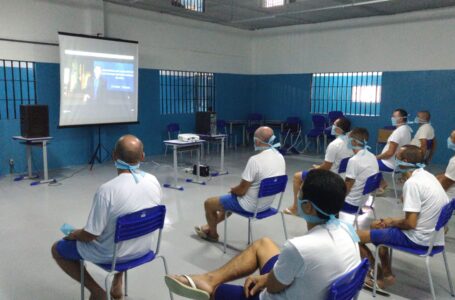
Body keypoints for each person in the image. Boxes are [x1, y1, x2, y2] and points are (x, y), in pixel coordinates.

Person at [165, 169, 361, 300]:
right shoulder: (348, 231)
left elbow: (274, 288)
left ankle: (211, 286)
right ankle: (209, 278)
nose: (296, 197)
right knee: (264, 244)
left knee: (218, 293)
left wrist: (267, 279)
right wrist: (268, 277)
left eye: (299, 195)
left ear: (308, 207)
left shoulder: (301, 248)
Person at [51, 135, 162, 300]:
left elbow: (90, 235)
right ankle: (117, 282)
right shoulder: (153, 181)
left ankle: (97, 292)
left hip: (113, 255)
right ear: (143, 157)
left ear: (113, 156)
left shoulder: (107, 191)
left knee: (57, 249)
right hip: (144, 248)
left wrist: (74, 234)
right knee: (123, 229)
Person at [358, 145, 449, 291]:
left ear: (404, 161)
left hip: (418, 239)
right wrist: (391, 221)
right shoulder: (427, 176)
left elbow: (410, 223)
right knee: (376, 224)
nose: (394, 160)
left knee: (354, 237)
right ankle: (386, 272)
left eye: (397, 158)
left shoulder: (413, 183)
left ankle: (376, 276)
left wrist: (392, 222)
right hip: (434, 238)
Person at [195, 126, 285, 242]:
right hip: (266, 204)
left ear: (257, 141)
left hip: (250, 206)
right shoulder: (280, 157)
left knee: (209, 203)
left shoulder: (255, 160)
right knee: (228, 201)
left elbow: (241, 190)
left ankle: (213, 234)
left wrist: (233, 190)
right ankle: (208, 226)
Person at [283, 117, 353, 215]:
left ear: (338, 129)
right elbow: (333, 163)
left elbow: (327, 167)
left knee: (297, 176)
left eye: (334, 125)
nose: (332, 126)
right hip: (343, 175)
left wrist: (316, 169)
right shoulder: (350, 142)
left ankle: (295, 208)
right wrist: (320, 166)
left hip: (331, 176)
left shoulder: (334, 144)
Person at [342, 128, 379, 216]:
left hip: (350, 204)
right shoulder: (372, 156)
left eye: (349, 139)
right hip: (362, 202)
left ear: (354, 142)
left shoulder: (354, 160)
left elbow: (347, 186)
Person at [376, 109, 412, 192]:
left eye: (394, 116)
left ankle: (382, 184)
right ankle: (382, 183)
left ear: (400, 118)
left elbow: (390, 153)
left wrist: (377, 157)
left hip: (389, 164)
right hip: (398, 164)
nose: (392, 118)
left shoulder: (398, 132)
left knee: (369, 162)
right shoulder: (407, 129)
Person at [437, 130, 455, 200]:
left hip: (449, 199)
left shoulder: (454, 161)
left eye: (451, 137)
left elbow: (443, 185)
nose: (449, 139)